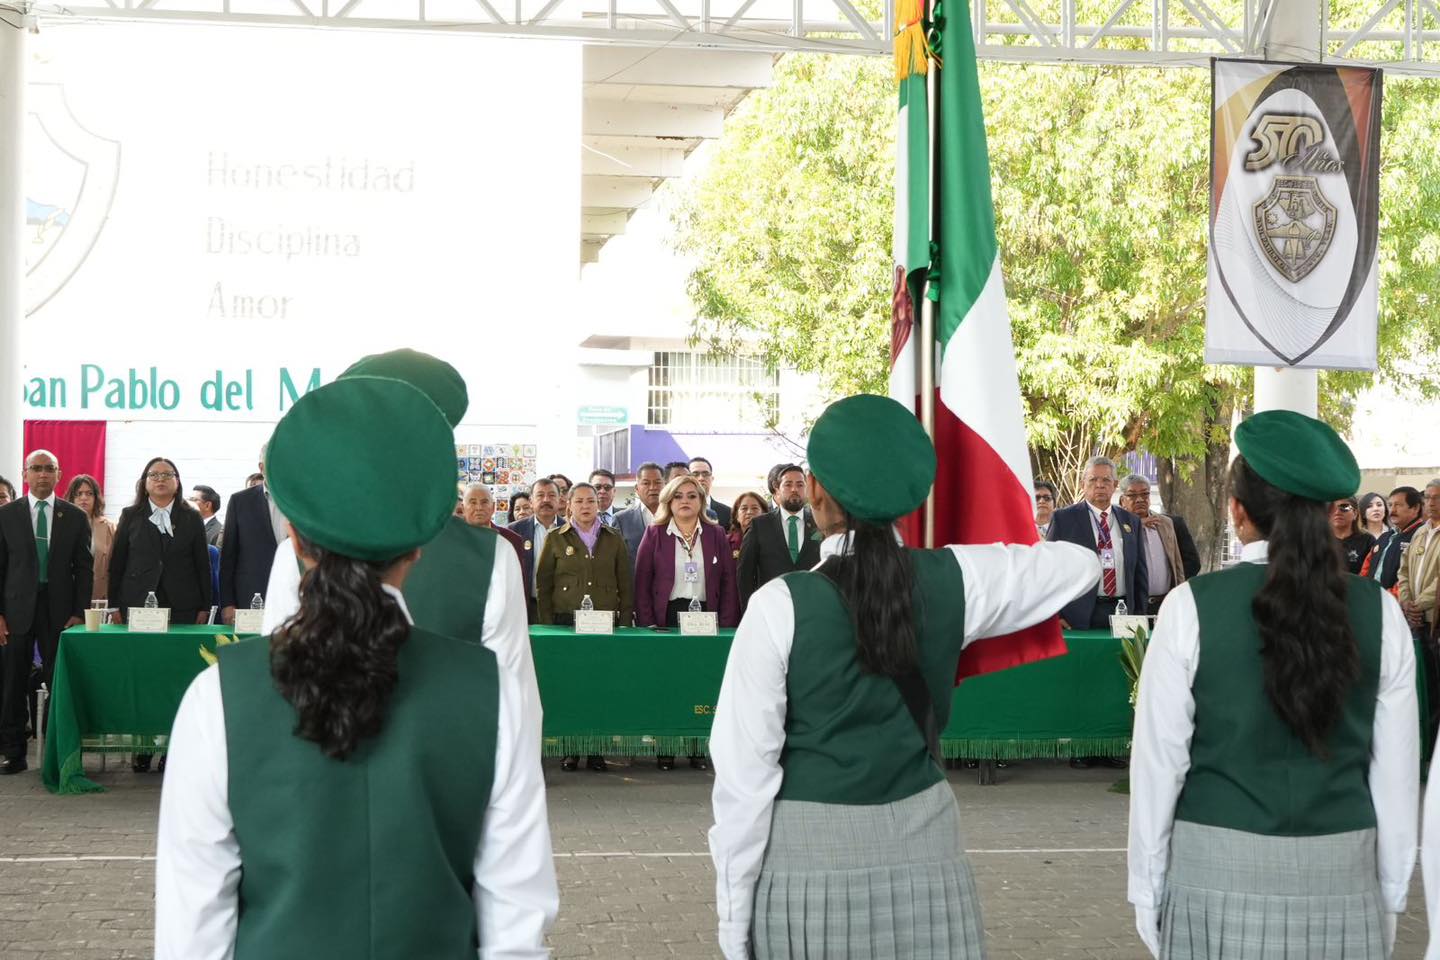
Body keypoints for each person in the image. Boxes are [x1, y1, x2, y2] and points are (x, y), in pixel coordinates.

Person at [154, 374, 558, 959]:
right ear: (419, 546)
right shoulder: (493, 693)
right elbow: (517, 923)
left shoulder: (216, 697)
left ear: (293, 537)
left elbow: (193, 928)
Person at [708, 395, 1100, 960]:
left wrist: (734, 919)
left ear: (815, 490)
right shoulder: (955, 578)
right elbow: (1078, 565)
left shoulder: (779, 604)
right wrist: (967, 553)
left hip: (811, 855)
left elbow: (745, 777)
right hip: (925, 842)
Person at [1128, 410, 1417, 960]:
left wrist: (1147, 886)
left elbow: (1160, 764)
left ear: (1238, 512)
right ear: (1326, 511)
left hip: (1213, 865)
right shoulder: (1380, 611)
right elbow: (1397, 775)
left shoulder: (1190, 607)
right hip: (1341, 867)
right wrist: (1392, 894)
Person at [634, 475, 739, 771]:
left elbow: (729, 583)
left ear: (701, 501)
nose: (685, 501)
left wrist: (728, 624)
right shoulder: (655, 533)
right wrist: (647, 624)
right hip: (667, 617)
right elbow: (642, 583)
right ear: (669, 500)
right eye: (678, 495)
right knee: (667, 683)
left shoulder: (716, 534)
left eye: (692, 496)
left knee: (702, 682)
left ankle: (697, 746)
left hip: (707, 617)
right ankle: (665, 747)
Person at [0, 450, 93, 775]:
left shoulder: (75, 516)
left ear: (59, 473)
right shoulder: (6, 514)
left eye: (48, 469)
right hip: (14, 612)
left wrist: (80, 612)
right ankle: (13, 752)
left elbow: (84, 569)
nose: (42, 474)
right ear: (25, 474)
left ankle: (56, 751)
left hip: (60, 612)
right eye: (36, 469)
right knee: (12, 683)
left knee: (59, 681)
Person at [534, 482, 633, 774]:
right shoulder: (555, 538)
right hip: (566, 622)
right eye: (580, 501)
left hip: (604, 622)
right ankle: (570, 749)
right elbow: (544, 584)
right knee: (571, 686)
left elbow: (625, 583)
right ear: (570, 505)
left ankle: (596, 750)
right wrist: (548, 626)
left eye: (591, 500)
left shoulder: (613, 538)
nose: (586, 506)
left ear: (598, 504)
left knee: (599, 686)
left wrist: (625, 623)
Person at [1046, 455, 1149, 630]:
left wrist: (1139, 613)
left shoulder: (1131, 521)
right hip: (1078, 614)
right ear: (1082, 484)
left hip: (1123, 612)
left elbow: (1139, 572)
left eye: (1106, 480)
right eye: (1093, 479)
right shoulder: (1064, 519)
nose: (1099, 485)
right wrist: (1056, 615)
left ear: (1115, 485)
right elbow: (1049, 570)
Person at [737, 464, 820, 613]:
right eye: (788, 484)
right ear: (777, 490)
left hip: (813, 609)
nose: (794, 489)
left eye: (800, 484)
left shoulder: (820, 522)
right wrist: (750, 613)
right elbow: (745, 576)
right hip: (771, 610)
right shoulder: (759, 526)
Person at [218, 447, 285, 623]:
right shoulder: (240, 502)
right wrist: (227, 603)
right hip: (251, 597)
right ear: (262, 468)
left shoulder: (303, 501)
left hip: (296, 595)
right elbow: (228, 558)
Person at [1118, 474, 1190, 615]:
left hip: (1165, 605)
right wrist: (1137, 525)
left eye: (1145, 494)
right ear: (1122, 501)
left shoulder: (1165, 523)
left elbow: (1176, 564)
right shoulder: (1116, 526)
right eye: (1132, 495)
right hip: (1133, 606)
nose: (1139, 499)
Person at [509, 477, 563, 624]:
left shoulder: (571, 530)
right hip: (526, 608)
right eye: (540, 495)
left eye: (552, 495)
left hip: (561, 610)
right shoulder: (514, 531)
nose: (546, 500)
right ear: (531, 501)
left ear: (560, 500)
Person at [65, 474, 116, 604]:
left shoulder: (109, 526)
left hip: (101, 597)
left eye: (89, 493)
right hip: (70, 594)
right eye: (78, 494)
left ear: (96, 497)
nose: (84, 498)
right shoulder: (62, 525)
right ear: (71, 498)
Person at [1362, 486, 1422, 590]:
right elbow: (1366, 569)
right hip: (1373, 598)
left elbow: (1417, 577)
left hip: (1397, 603)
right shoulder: (1385, 536)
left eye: (1398, 505)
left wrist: (1388, 597)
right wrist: (1363, 590)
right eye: (1390, 505)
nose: (1392, 510)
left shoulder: (1423, 536)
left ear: (1415, 508)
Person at [462, 482, 526, 573]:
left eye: (484, 502)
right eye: (473, 502)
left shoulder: (512, 540)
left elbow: (519, 581)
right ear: (463, 508)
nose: (479, 507)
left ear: (493, 507)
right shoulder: (451, 541)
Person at [615, 462, 664, 571]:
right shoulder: (621, 519)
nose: (653, 488)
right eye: (646, 483)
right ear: (637, 488)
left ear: (665, 486)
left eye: (657, 482)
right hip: (634, 585)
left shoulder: (676, 517)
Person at [1331, 495, 1376, 575]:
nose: (1337, 512)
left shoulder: (1368, 541)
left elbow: (1372, 572)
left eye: (1344, 507)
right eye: (1331, 508)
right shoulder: (1318, 539)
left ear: (1355, 513)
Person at [689, 457, 731, 529]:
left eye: (705, 474)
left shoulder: (728, 513)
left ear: (712, 478)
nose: (701, 478)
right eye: (695, 474)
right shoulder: (678, 509)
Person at [726, 492, 767, 560]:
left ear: (764, 514)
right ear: (736, 516)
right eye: (744, 508)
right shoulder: (725, 542)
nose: (749, 512)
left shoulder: (774, 540)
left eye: (755, 508)